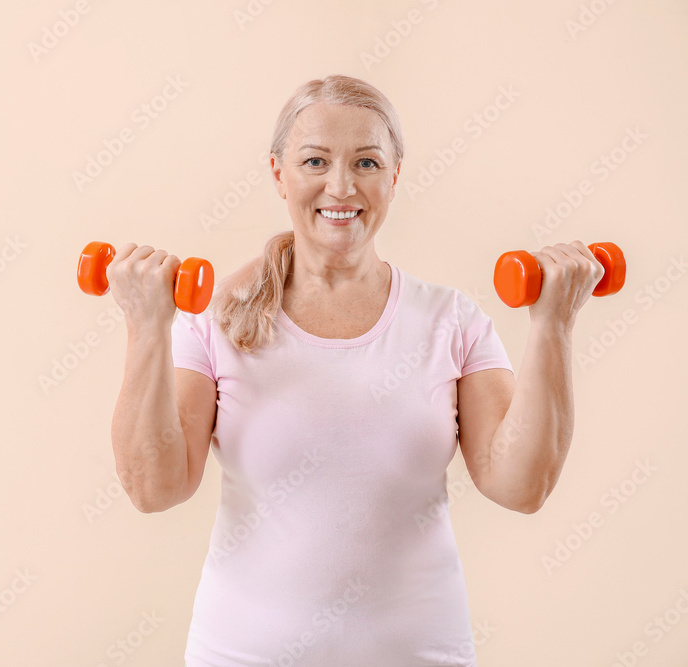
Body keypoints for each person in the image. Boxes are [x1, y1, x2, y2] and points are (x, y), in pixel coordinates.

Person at [108, 74, 605, 665]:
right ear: (277, 173)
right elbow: (154, 488)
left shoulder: (451, 320)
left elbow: (520, 486)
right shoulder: (213, 322)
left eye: (366, 162)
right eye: (314, 160)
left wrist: (553, 325)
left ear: (394, 176)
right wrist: (146, 326)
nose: (340, 186)